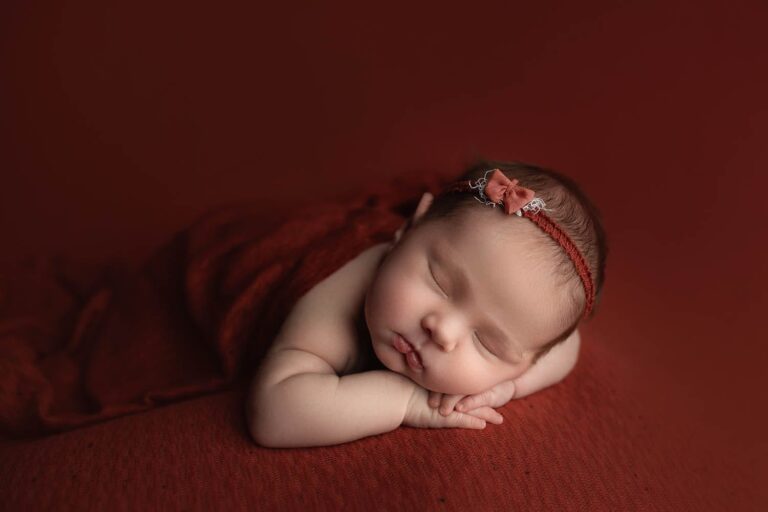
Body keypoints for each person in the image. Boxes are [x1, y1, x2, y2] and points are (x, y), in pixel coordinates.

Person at [246, 159, 608, 448]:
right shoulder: (336, 298)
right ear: (411, 226)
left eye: (487, 343)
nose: (442, 331)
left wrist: (506, 388)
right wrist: (405, 401)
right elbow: (274, 413)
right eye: (441, 283)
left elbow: (566, 345)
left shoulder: (527, 342)